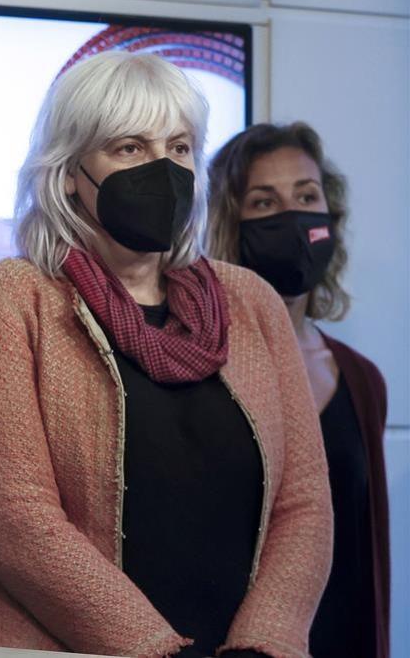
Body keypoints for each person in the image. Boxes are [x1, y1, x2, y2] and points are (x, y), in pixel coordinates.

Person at [0, 52, 332, 658]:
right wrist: (152, 648)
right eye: (129, 148)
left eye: (178, 149)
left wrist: (264, 644)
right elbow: (12, 517)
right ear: (69, 171)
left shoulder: (250, 301)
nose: (162, 170)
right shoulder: (7, 299)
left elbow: (303, 502)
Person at [207, 122, 390, 658]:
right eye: (264, 203)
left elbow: (363, 549)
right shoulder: (197, 363)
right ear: (230, 225)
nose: (292, 217)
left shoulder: (361, 380)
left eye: (307, 197)